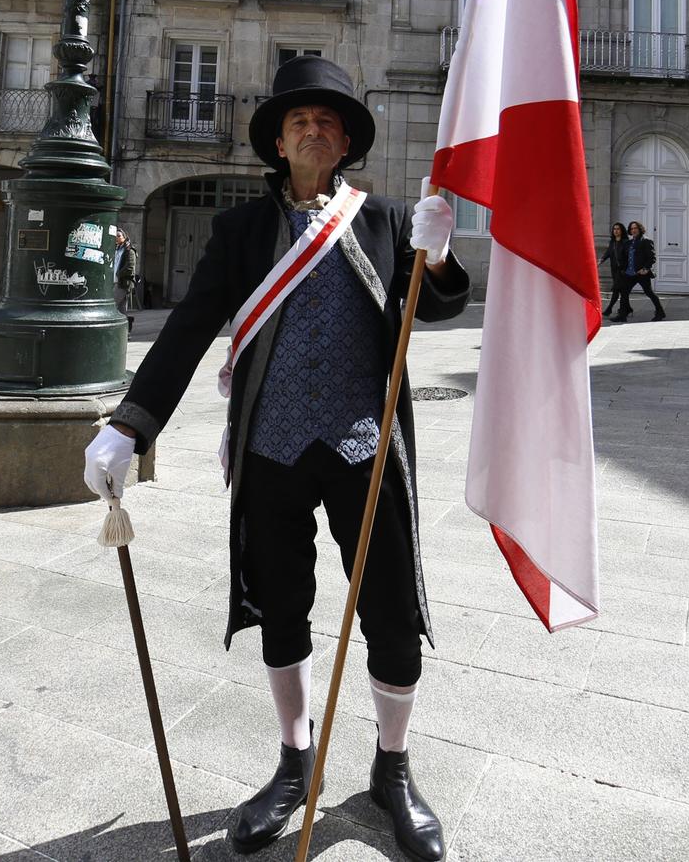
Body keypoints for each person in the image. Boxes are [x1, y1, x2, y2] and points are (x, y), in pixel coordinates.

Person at [81, 55, 468, 860]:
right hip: (271, 448)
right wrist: (131, 423)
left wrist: (438, 254)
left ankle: (392, 770)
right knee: (280, 608)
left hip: (366, 446)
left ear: (346, 141)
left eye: (329, 120)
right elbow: (188, 330)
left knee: (391, 613)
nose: (314, 129)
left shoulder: (385, 219)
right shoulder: (240, 231)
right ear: (279, 142)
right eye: (300, 120)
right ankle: (295, 762)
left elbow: (433, 306)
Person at [626, 220, 666, 321]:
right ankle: (625, 311)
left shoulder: (646, 241)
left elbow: (652, 257)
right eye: (632, 228)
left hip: (642, 273)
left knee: (649, 293)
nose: (633, 230)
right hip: (631, 273)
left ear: (640, 229)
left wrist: (645, 269)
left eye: (635, 228)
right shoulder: (630, 242)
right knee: (624, 291)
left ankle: (660, 312)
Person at [600, 222, 632, 322]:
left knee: (616, 290)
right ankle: (628, 309)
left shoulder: (626, 242)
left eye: (618, 229)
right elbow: (608, 253)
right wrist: (601, 260)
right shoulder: (612, 242)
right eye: (614, 229)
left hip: (623, 271)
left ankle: (609, 310)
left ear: (621, 230)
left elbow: (629, 257)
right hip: (614, 270)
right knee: (622, 291)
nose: (616, 231)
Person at [112, 228, 140, 330]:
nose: (117, 238)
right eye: (115, 236)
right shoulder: (116, 249)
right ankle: (125, 331)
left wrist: (118, 273)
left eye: (119, 236)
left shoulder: (129, 250)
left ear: (124, 237)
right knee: (122, 310)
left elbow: (130, 267)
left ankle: (118, 330)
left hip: (124, 283)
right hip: (116, 282)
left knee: (111, 305)